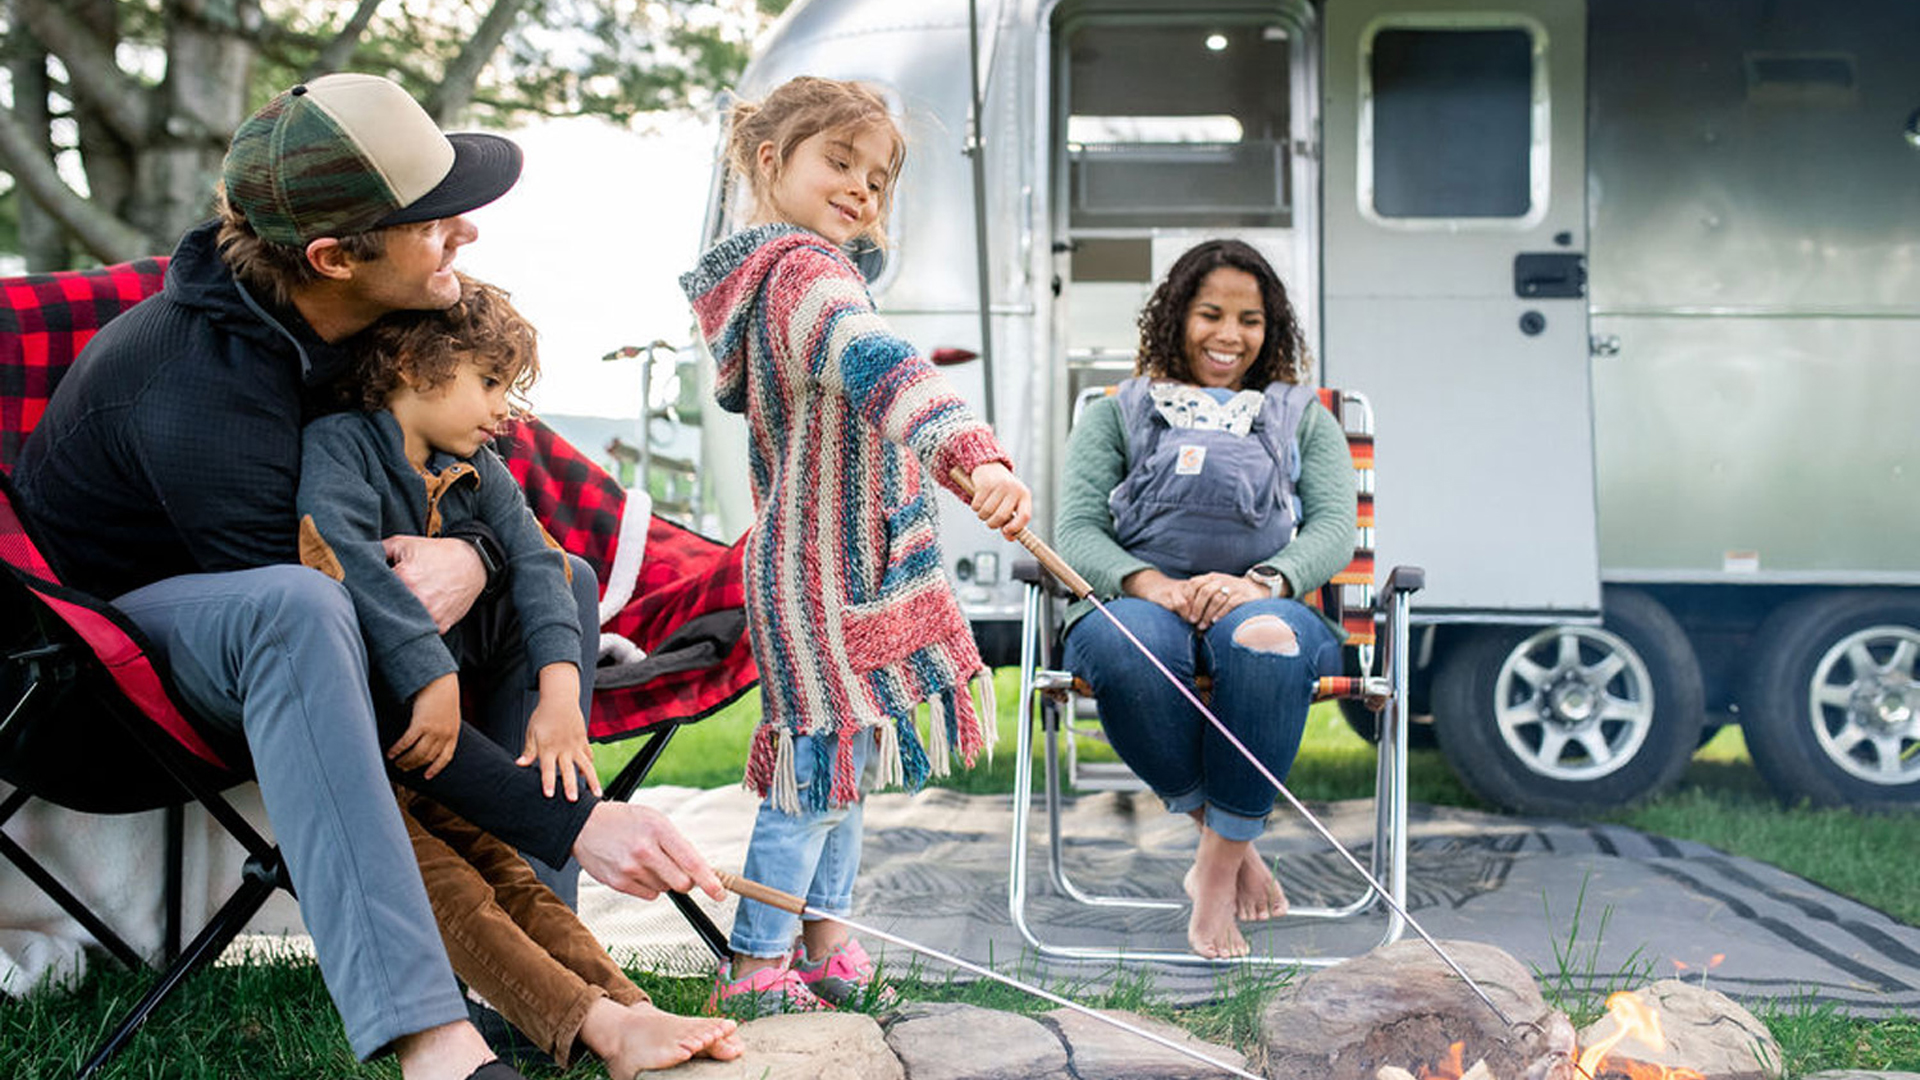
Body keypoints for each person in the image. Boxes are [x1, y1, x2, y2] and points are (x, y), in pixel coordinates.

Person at [11, 72, 735, 1080]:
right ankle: (430, 1040)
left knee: (554, 583)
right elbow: (354, 656)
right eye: (433, 220)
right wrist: (579, 814)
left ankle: (546, 999)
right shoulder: (198, 388)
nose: (466, 233)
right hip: (107, 685)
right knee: (300, 606)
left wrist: (479, 557)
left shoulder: (358, 336)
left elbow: (482, 522)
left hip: (300, 637)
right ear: (335, 256)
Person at [296, 274, 739, 1075]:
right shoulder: (339, 446)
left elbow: (539, 561)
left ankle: (628, 1011)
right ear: (411, 363)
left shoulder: (478, 464)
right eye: (489, 382)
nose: (505, 408)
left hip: (448, 741)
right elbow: (345, 564)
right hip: (357, 726)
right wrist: (433, 680)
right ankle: (587, 1023)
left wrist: (564, 697)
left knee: (508, 872)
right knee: (457, 886)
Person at [679, 76, 1032, 1016]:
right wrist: (969, 449)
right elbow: (876, 363)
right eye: (839, 162)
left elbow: (860, 392)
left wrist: (945, 462)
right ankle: (756, 967)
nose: (862, 190)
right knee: (815, 766)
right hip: (821, 571)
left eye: (877, 177)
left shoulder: (783, 274)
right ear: (770, 161)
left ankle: (826, 938)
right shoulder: (804, 273)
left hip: (827, 560)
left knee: (844, 755)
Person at [1054, 238, 1358, 960]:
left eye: (1249, 319)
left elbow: (1335, 529)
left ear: (1270, 327)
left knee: (1263, 642)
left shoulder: (1303, 417)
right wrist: (1149, 583)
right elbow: (1075, 530)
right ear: (1175, 317)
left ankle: (1214, 873)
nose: (1230, 335)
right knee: (1133, 648)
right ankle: (1235, 849)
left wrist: (1263, 582)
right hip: (1139, 599)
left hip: (1264, 598)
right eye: (1211, 314)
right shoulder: (1115, 412)